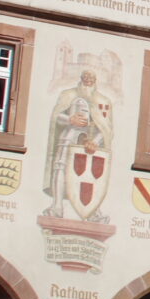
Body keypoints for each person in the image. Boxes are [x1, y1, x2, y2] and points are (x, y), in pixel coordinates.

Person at [44, 70, 113, 216]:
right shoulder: (68, 94)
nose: (88, 80)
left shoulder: (103, 101)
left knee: (93, 175)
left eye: (91, 77)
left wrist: (95, 141)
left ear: (95, 80)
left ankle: (94, 212)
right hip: (69, 137)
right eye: (85, 77)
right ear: (81, 79)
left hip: (92, 142)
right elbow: (56, 116)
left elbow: (106, 128)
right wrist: (69, 119)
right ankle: (57, 206)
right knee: (60, 166)